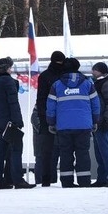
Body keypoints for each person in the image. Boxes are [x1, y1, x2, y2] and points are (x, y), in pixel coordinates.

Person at [46, 57, 100, 188]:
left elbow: (51, 106)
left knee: (65, 153)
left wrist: (51, 122)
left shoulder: (57, 85)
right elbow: (95, 104)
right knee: (83, 153)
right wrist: (95, 120)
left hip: (63, 126)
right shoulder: (87, 84)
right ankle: (84, 181)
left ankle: (67, 181)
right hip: (84, 125)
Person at [0, 57, 34, 189]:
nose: (11, 69)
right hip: (10, 122)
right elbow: (13, 103)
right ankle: (18, 180)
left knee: (0, 151)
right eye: (10, 67)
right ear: (6, 68)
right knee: (16, 149)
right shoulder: (9, 82)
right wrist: (17, 121)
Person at [34, 51, 65, 186]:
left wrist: (43, 116)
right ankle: (62, 178)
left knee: (46, 151)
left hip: (47, 116)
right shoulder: (65, 76)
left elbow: (40, 99)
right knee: (64, 149)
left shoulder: (44, 76)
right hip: (63, 116)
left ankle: (46, 179)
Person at [90, 62, 108, 187]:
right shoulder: (100, 83)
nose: (92, 73)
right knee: (99, 152)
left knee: (105, 151)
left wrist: (107, 118)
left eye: (94, 70)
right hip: (99, 121)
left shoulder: (106, 84)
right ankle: (102, 178)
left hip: (104, 122)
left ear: (100, 71)